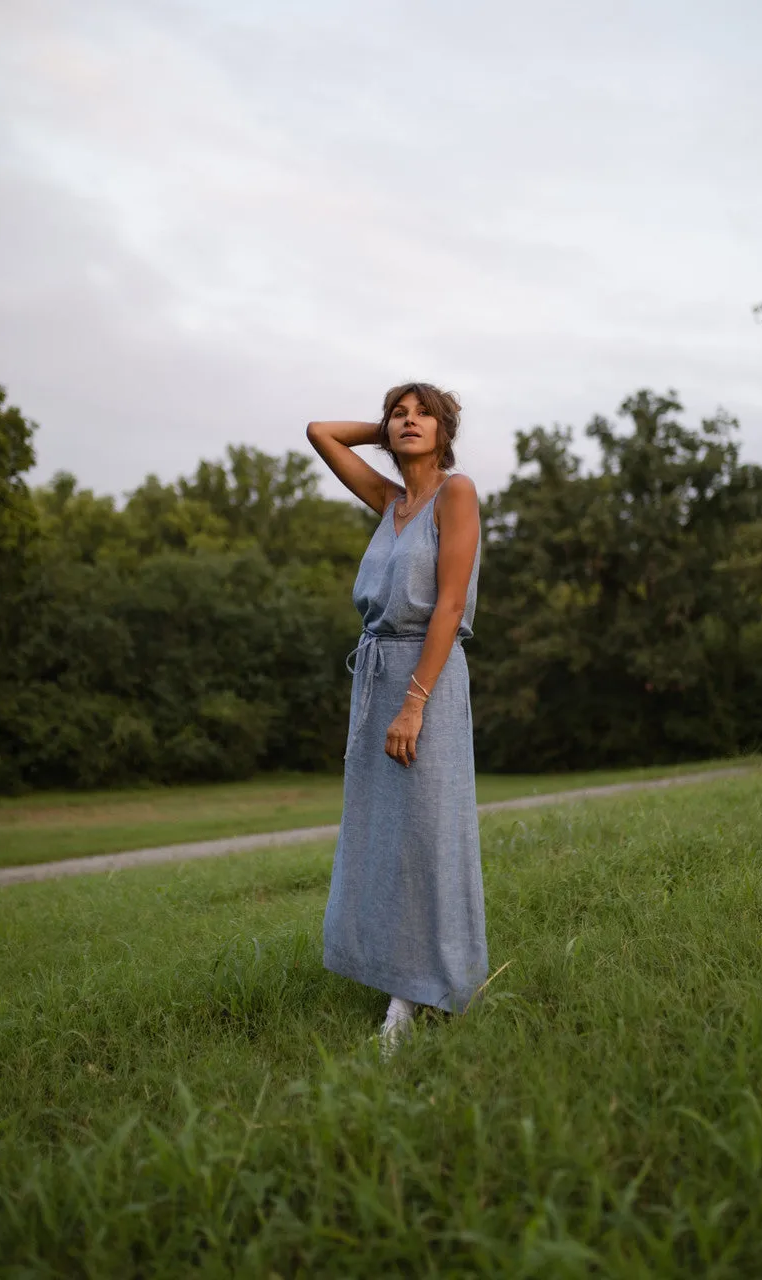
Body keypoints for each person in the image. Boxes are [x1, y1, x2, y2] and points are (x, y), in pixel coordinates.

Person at [306, 383, 488, 1054]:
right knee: (384, 837)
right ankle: (402, 979)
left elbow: (447, 606)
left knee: (424, 836)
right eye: (398, 414)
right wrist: (381, 430)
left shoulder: (456, 493)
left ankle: (418, 994)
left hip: (426, 679)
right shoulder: (391, 502)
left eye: (423, 415)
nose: (408, 423)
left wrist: (414, 702)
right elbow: (320, 431)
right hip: (377, 677)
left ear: (446, 431)